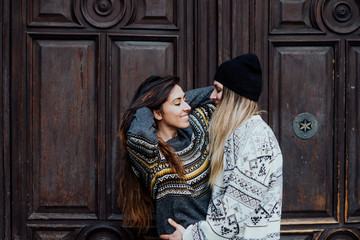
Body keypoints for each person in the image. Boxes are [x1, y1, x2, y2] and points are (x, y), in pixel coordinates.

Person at [160, 53, 283, 240]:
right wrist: (153, 104)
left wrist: (188, 237)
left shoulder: (257, 141)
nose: (211, 96)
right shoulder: (236, 135)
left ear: (234, 95)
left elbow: (231, 218)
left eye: (218, 90)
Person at [118, 75, 215, 235]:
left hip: (210, 235)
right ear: (156, 113)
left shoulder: (195, 131)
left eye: (186, 100)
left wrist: (176, 98)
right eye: (178, 103)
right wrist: (146, 104)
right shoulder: (150, 154)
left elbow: (217, 95)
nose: (187, 107)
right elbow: (139, 132)